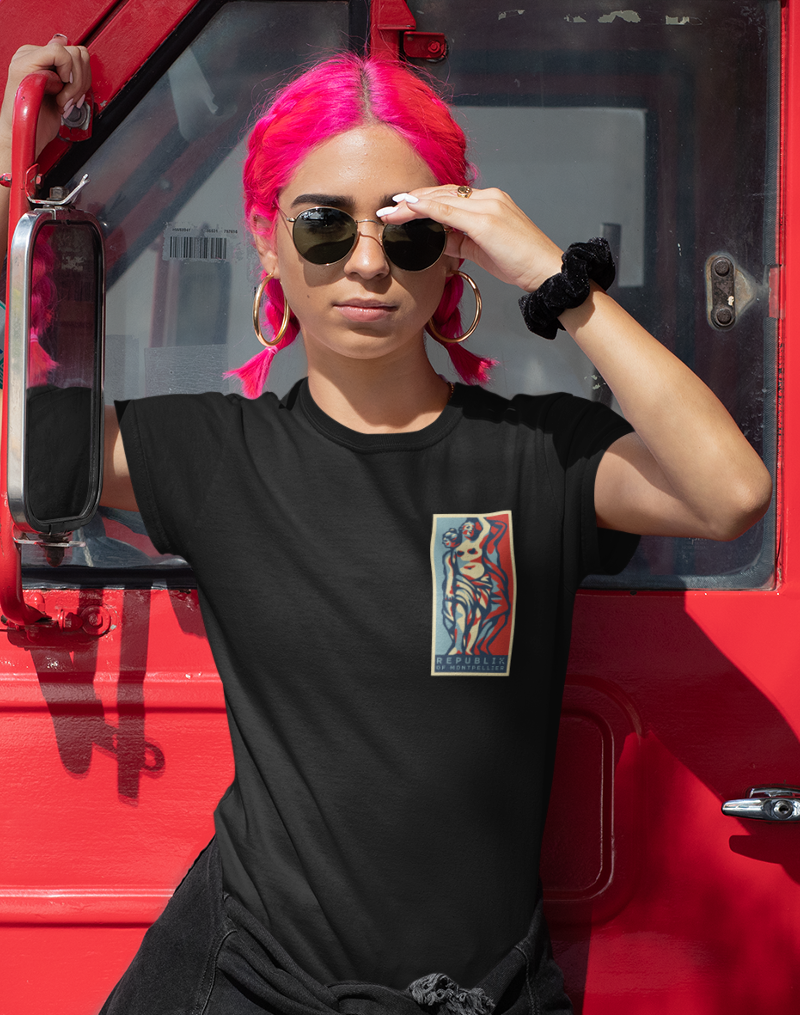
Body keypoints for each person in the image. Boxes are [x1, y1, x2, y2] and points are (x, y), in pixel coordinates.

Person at [1, 38, 772, 1015]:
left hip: (481, 993)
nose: (367, 263)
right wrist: (12, 172)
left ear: (454, 248)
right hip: (254, 986)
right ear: (267, 240)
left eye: (406, 231)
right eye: (324, 227)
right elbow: (21, 428)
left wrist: (553, 274)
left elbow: (729, 492)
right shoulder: (210, 454)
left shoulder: (537, 453)